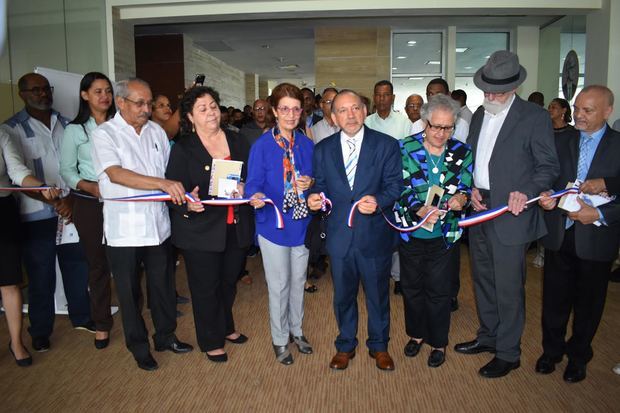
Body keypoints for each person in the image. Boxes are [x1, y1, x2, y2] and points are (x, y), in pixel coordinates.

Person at [454, 50, 559, 378]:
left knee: (509, 287)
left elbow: (548, 166)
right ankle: (488, 336)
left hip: (512, 213)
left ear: (514, 88)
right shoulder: (481, 115)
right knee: (483, 279)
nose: (491, 96)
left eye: (497, 92)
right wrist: (470, 186)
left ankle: (509, 352)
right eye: (486, 91)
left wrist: (526, 190)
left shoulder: (534, 117)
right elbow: (474, 160)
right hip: (480, 207)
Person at [91, 78, 193, 371]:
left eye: (149, 103)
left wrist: (185, 189)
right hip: (124, 231)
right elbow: (116, 174)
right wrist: (162, 183)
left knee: (162, 286)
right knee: (129, 292)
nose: (146, 109)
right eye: (140, 103)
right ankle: (138, 346)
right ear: (121, 103)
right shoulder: (105, 134)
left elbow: (170, 171)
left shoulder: (156, 133)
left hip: (158, 226)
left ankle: (165, 336)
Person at [307, 89, 402, 371]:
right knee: (343, 296)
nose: (350, 115)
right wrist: (315, 198)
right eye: (343, 110)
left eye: (356, 108)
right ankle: (345, 345)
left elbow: (395, 186)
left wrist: (380, 200)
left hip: (374, 234)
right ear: (333, 117)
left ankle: (379, 345)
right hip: (339, 237)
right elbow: (320, 186)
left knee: (377, 294)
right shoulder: (323, 149)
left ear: (364, 110)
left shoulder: (386, 145)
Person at [1, 73, 94, 353]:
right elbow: (18, 177)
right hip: (35, 215)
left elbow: (77, 166)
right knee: (41, 275)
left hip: (71, 209)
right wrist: (54, 202)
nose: (43, 94)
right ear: (22, 94)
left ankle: (82, 316)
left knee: (77, 266)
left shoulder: (67, 124)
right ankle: (40, 331)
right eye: (35, 89)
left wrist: (72, 202)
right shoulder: (12, 129)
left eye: (46, 89)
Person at [536, 85, 620, 383]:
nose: (579, 116)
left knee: (589, 304)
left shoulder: (618, 145)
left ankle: (578, 356)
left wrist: (598, 212)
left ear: (607, 111)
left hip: (597, 238)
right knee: (554, 299)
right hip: (561, 232)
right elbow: (549, 178)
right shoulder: (563, 140)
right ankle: (552, 351)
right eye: (577, 109)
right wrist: (544, 194)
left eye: (588, 110)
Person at [165, 86, 254, 363]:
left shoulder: (238, 141)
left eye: (213, 105)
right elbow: (173, 190)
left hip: (235, 225)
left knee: (228, 282)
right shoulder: (184, 147)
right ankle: (211, 340)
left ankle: (225, 326)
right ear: (190, 117)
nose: (210, 112)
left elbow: (254, 176)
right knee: (206, 287)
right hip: (200, 230)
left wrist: (245, 186)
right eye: (202, 109)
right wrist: (186, 201)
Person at [395, 94, 473, 368]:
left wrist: (461, 200)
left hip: (444, 233)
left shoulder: (462, 152)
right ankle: (416, 335)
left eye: (448, 128)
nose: (441, 133)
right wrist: (417, 207)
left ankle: (438, 342)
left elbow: (465, 187)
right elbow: (398, 188)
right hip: (412, 230)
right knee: (412, 287)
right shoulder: (404, 148)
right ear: (425, 123)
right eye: (435, 126)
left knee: (439, 291)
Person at [246, 83, 315, 365]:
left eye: (295, 109)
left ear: (302, 111)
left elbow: (317, 184)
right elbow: (252, 185)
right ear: (275, 111)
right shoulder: (262, 146)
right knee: (279, 284)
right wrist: (256, 196)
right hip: (273, 225)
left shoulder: (308, 145)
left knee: (298, 281)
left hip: (300, 223)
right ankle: (279, 338)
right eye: (284, 109)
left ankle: (297, 331)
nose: (290, 114)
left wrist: (311, 183)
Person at [59, 72, 115, 349]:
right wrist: (89, 186)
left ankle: (134, 318)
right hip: (89, 201)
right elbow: (67, 171)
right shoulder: (75, 130)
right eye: (97, 92)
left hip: (121, 200)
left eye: (108, 91)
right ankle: (102, 323)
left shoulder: (121, 125)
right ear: (84, 96)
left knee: (127, 262)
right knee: (97, 265)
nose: (104, 96)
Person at [0, 128, 58, 366]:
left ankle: (16, 342)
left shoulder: (2, 133)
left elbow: (16, 170)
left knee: (9, 282)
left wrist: (40, 186)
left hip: (2, 213)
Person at [364, 80, 411, 295]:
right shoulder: (366, 122)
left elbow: (408, 156)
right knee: (373, 233)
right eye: (378, 95)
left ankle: (399, 277)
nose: (382, 99)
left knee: (396, 232)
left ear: (393, 98)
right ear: (374, 97)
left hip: (395, 186)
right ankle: (375, 276)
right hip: (372, 187)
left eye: (386, 95)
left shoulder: (404, 122)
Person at [411, 78, 469, 144]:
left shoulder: (461, 124)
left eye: (438, 94)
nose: (434, 98)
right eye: (430, 94)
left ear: (448, 95)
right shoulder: (418, 125)